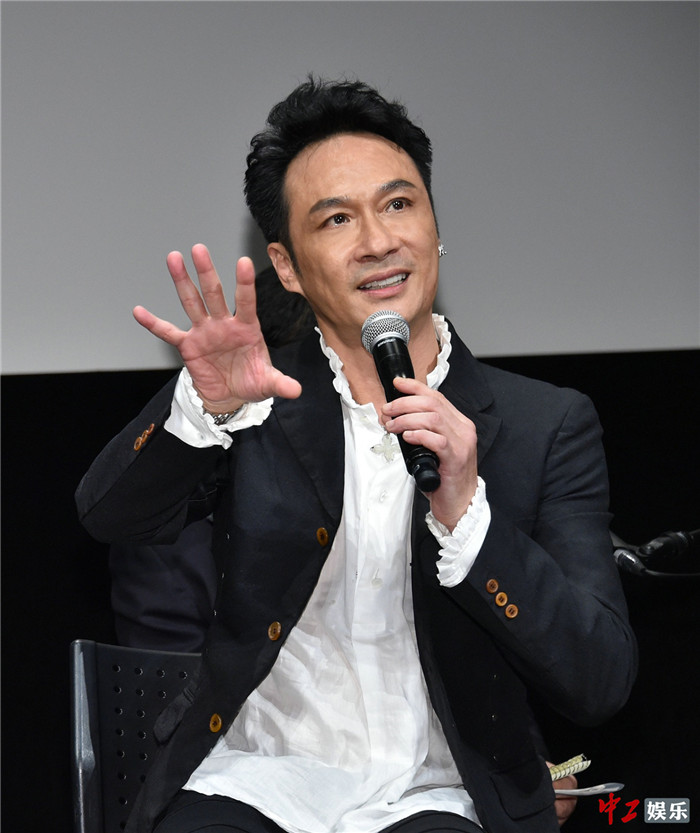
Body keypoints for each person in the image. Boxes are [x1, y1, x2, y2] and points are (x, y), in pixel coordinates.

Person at [76, 77, 637, 833]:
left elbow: (599, 680)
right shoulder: (258, 396)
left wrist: (468, 519)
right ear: (287, 267)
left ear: (435, 226)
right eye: (338, 219)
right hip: (256, 775)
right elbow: (110, 516)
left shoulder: (546, 424)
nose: (378, 241)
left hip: (441, 789)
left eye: (399, 204)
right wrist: (203, 410)